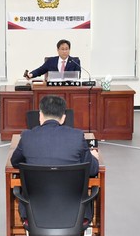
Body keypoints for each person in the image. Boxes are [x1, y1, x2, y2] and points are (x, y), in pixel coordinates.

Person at [11, 95, 99, 223]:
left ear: (40, 115)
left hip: (35, 215)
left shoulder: (27, 137)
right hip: (74, 214)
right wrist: (93, 157)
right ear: (63, 118)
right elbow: (93, 170)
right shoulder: (77, 136)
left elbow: (15, 162)